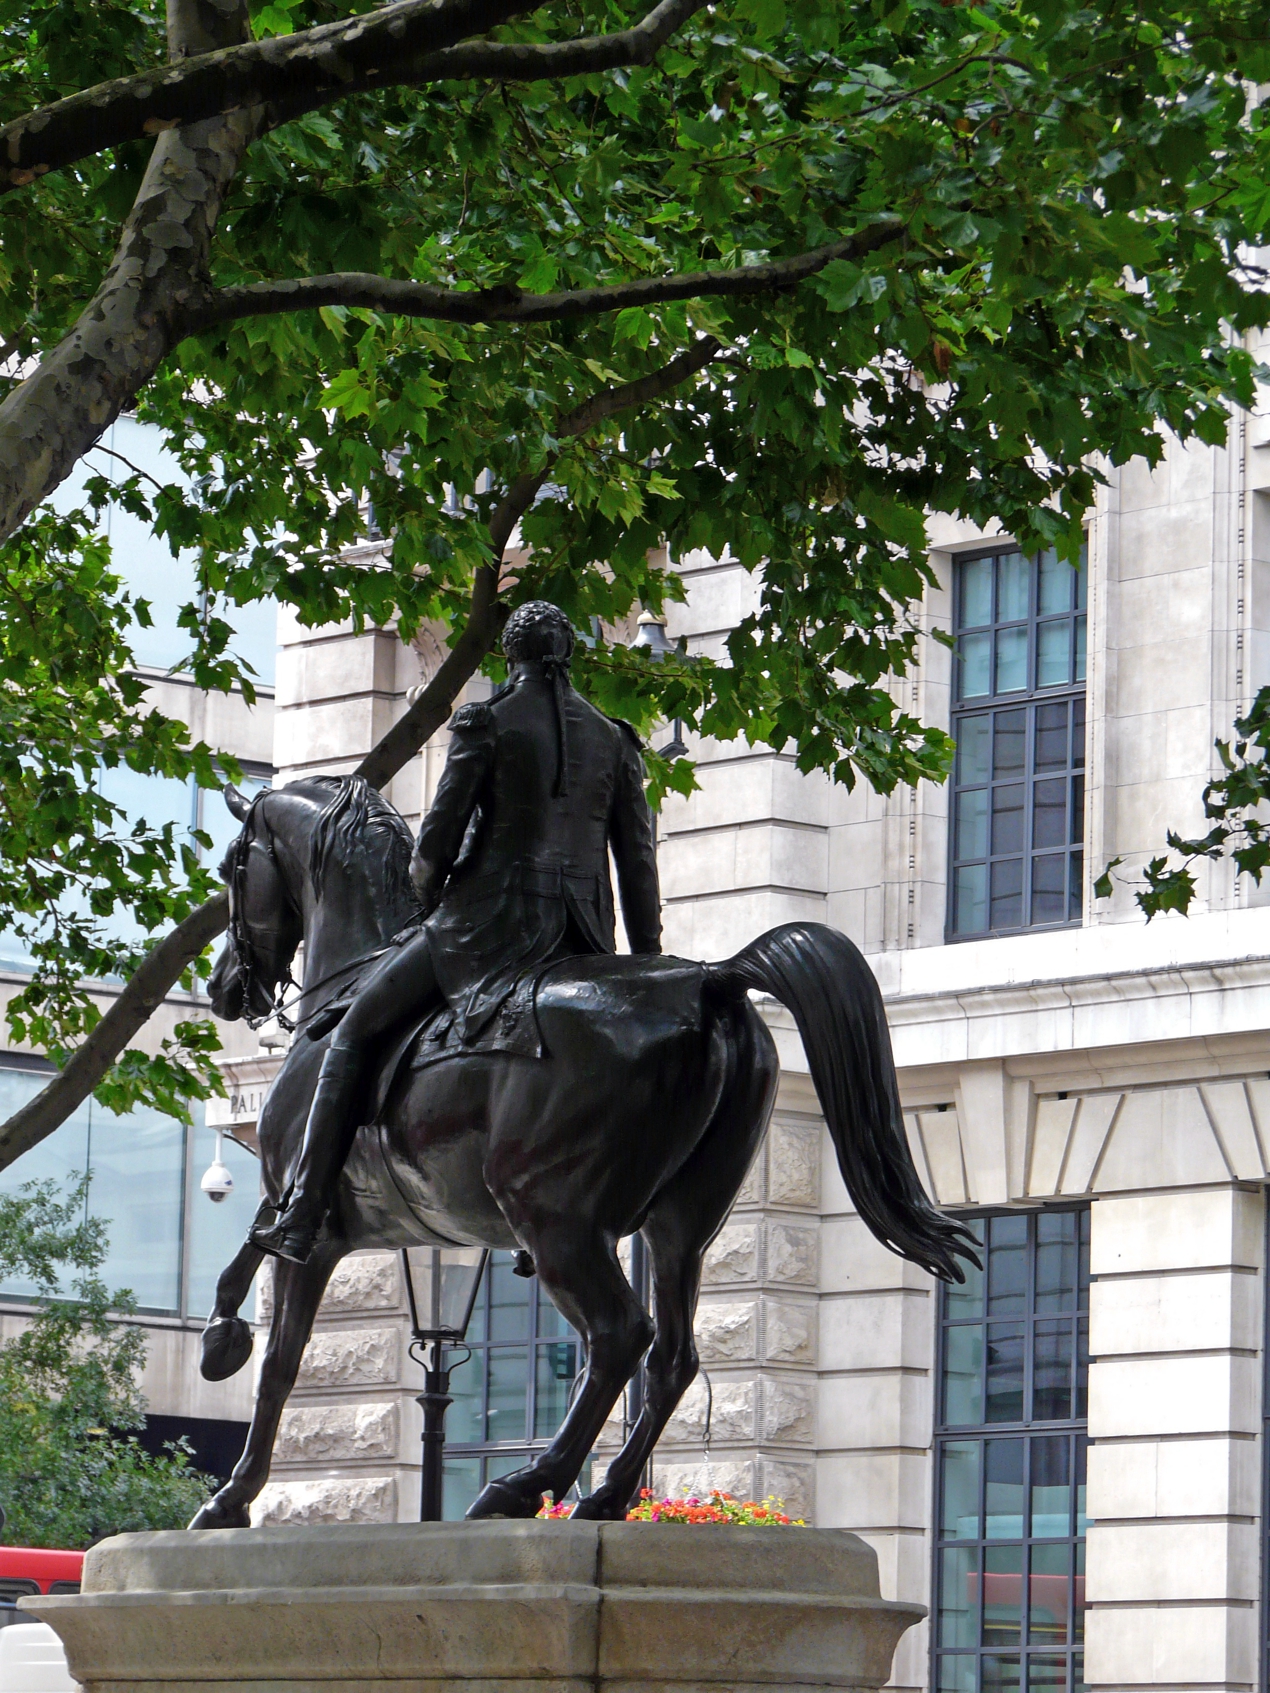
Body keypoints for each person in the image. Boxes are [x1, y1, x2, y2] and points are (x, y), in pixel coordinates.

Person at [250, 600, 663, 1264]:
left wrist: (426, 895)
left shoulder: (485, 723)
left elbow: (434, 847)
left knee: (352, 1030)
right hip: (582, 940)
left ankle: (301, 1207)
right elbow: (637, 863)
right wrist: (644, 961)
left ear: (511, 655)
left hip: (486, 931)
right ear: (569, 654)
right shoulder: (615, 740)